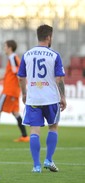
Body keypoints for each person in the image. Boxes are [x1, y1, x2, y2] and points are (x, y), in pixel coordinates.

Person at [17, 24, 67, 173]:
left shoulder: (27, 54)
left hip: (33, 99)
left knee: (34, 131)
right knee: (53, 127)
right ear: (49, 37)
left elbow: (21, 77)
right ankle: (48, 160)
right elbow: (59, 79)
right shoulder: (54, 55)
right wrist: (63, 97)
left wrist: (24, 94)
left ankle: (36, 166)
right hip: (51, 98)